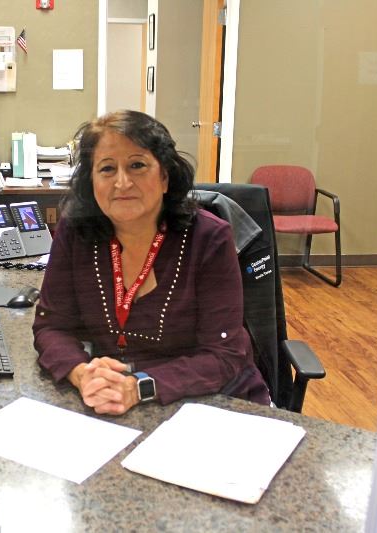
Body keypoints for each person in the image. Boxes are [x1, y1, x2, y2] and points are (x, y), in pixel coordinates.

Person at [33, 110, 270, 415]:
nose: (122, 182)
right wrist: (83, 374)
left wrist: (139, 386)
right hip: (113, 401)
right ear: (91, 182)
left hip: (211, 403)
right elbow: (51, 326)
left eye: (137, 165)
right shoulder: (76, 233)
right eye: (107, 169)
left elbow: (224, 355)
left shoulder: (208, 239)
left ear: (165, 177)